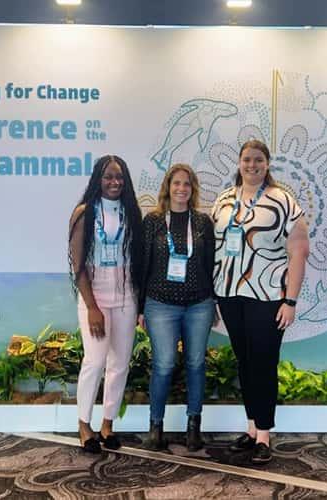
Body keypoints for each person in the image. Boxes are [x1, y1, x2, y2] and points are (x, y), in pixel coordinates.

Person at [211, 139, 310, 464]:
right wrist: (212, 297)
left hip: (268, 296)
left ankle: (265, 435)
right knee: (245, 362)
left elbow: (299, 251)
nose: (251, 165)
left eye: (258, 160)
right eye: (246, 160)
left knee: (264, 362)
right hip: (229, 293)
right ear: (238, 163)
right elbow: (213, 248)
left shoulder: (282, 200)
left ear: (267, 164)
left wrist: (290, 300)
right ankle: (252, 428)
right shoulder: (224, 201)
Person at [68, 154, 143, 453]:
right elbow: (78, 266)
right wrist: (92, 307)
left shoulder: (131, 212)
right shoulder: (84, 212)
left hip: (126, 297)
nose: (114, 182)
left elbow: (137, 261)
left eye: (119, 177)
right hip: (95, 297)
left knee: (120, 365)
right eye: (108, 176)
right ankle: (84, 424)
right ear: (98, 179)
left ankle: (107, 424)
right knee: (95, 361)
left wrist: (139, 305)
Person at [138, 164, 216, 452]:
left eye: (187, 184)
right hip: (160, 304)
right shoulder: (154, 221)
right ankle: (155, 425)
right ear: (167, 187)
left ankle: (193, 427)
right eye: (176, 183)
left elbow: (210, 264)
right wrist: (140, 307)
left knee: (196, 364)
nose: (182, 189)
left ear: (193, 189)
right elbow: (143, 265)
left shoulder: (203, 222)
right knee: (164, 364)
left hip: (199, 304)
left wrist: (214, 301)